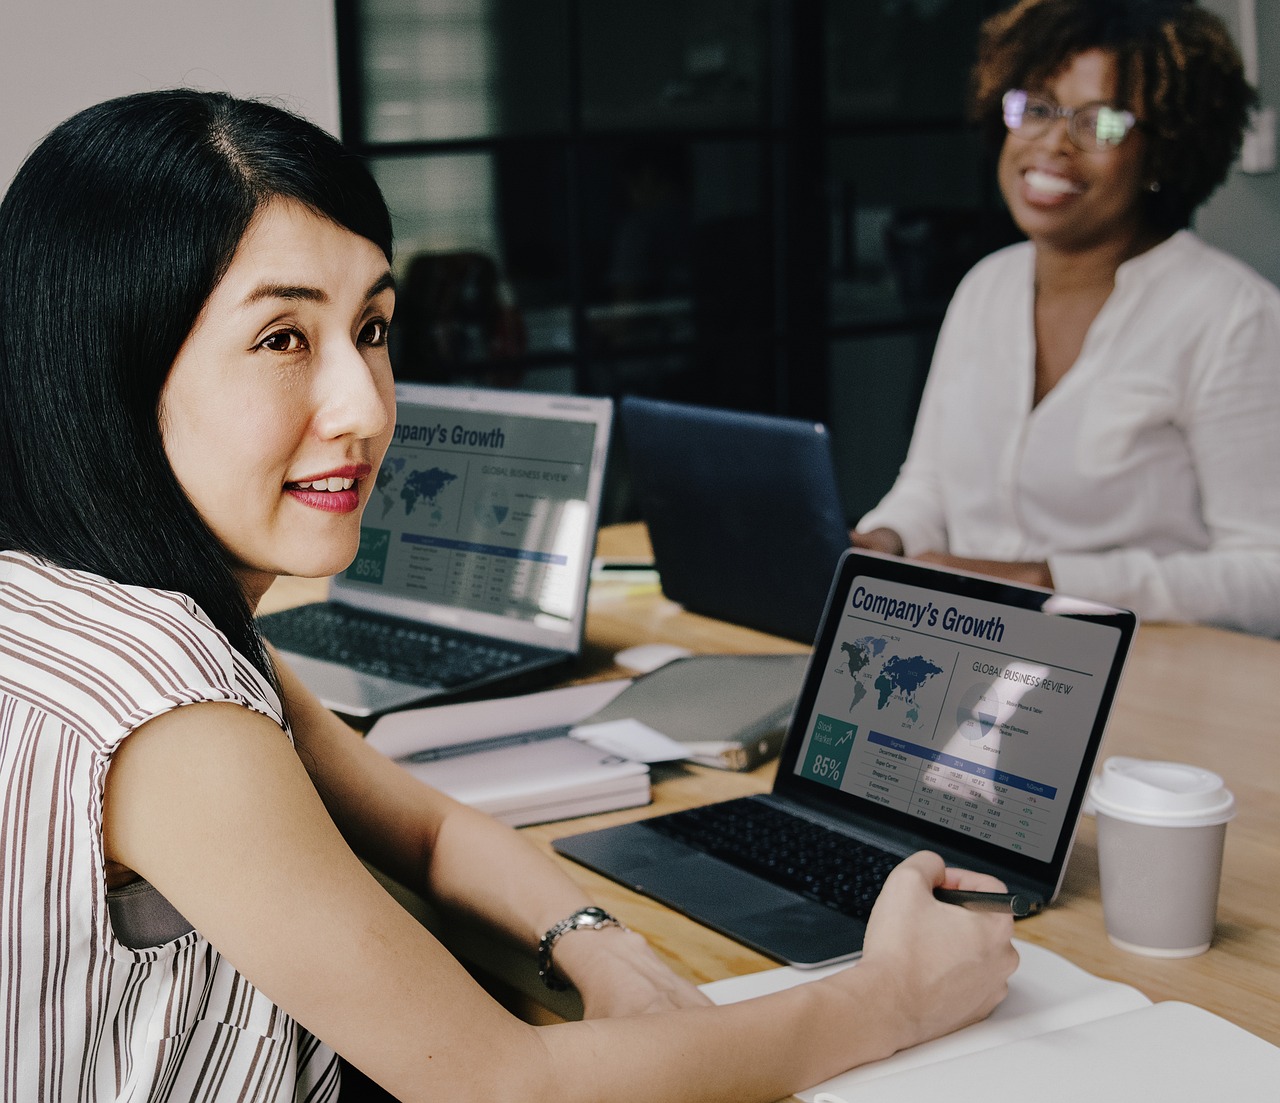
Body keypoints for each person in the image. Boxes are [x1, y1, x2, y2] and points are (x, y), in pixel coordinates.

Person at [0, 90, 1017, 1103]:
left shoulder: (79, 599)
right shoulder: (171, 713)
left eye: (371, 327)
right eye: (283, 339)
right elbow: (502, 1085)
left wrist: (603, 950)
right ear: (109, 367)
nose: (365, 406)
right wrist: (894, 995)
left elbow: (432, 832)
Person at [853, 0, 1280, 637]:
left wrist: (1048, 580)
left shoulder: (1233, 318)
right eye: (1037, 108)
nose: (1053, 142)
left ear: (1163, 152)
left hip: (1147, 673)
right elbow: (930, 487)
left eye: (1100, 122)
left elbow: (1268, 575)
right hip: (968, 653)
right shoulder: (986, 287)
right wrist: (884, 540)